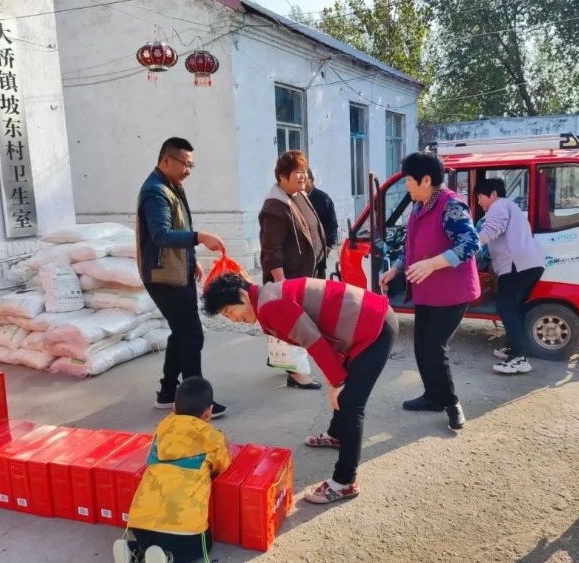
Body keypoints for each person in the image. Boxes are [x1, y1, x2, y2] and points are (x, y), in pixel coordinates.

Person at [203, 273, 398, 504]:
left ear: (243, 295)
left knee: (350, 403)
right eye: (227, 317)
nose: (234, 320)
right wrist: (336, 379)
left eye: (230, 312)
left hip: (375, 326)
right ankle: (337, 435)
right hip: (360, 324)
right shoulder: (266, 298)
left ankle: (345, 482)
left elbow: (313, 340)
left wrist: (337, 382)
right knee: (342, 389)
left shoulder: (271, 304)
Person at [378, 152, 480, 430]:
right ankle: (432, 396)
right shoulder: (419, 205)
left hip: (452, 292)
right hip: (426, 291)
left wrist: (433, 263)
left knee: (434, 347)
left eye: (408, 180)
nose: (406, 185)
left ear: (425, 180)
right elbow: (411, 245)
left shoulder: (451, 205)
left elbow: (470, 243)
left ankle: (451, 403)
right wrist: (395, 269)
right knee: (421, 346)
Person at [137, 137, 227, 416]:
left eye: (191, 165)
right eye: (185, 164)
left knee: (181, 332)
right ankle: (195, 405)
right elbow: (161, 235)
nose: (188, 170)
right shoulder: (155, 192)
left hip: (176, 271)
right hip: (164, 277)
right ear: (167, 160)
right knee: (192, 335)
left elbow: (178, 226)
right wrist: (199, 237)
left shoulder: (171, 186)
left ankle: (168, 393)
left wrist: (192, 259)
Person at [114, 377, 231, 563]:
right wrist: (224, 443)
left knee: (151, 541)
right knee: (204, 543)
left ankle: (133, 549)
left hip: (140, 524)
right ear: (209, 412)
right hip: (181, 528)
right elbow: (222, 465)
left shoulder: (162, 429)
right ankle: (169, 558)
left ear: (174, 407)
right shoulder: (212, 439)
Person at [259, 150, 326, 390]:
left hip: (304, 275)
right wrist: (282, 285)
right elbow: (271, 250)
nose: (302, 176)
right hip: (288, 280)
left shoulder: (298, 195)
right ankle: (297, 375)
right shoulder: (275, 207)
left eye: (304, 171)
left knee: (291, 326)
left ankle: (284, 362)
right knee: (295, 325)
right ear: (281, 176)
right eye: (296, 172)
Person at [474, 178, 545, 374]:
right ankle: (516, 348)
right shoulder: (511, 207)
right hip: (530, 265)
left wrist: (470, 246)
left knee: (505, 307)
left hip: (516, 266)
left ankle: (519, 358)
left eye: (480, 196)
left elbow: (492, 229)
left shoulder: (498, 206)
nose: (479, 201)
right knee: (516, 308)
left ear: (493, 194)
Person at [305, 168, 338, 279]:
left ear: (312, 179)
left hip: (319, 249)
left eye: (305, 180)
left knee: (318, 281)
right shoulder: (295, 199)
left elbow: (332, 224)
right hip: (301, 252)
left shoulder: (323, 199)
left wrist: (329, 245)